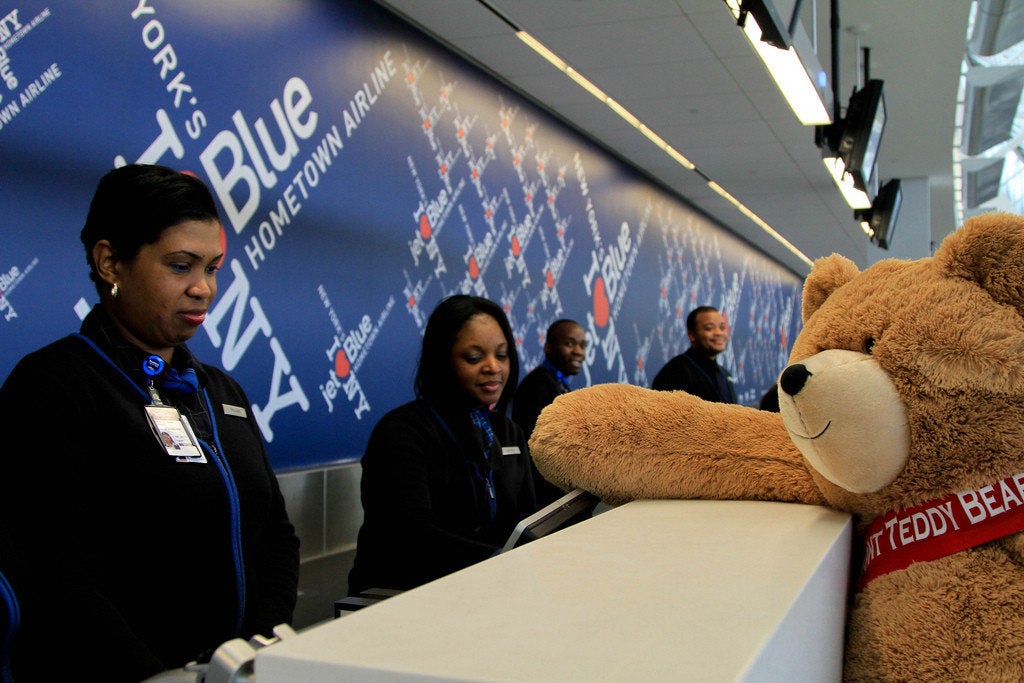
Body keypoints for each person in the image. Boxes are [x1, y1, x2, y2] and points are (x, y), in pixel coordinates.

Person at [0, 164, 300, 680]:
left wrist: (257, 651)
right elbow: (53, 574)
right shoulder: (55, 386)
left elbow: (275, 535)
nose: (203, 289)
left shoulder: (220, 393)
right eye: (181, 266)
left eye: (213, 268)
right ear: (111, 262)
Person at [348, 294, 537, 595]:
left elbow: (526, 519)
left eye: (501, 355)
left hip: (488, 592)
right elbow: (410, 535)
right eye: (474, 357)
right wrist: (501, 562)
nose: (493, 367)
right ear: (442, 360)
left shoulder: (509, 433)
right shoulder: (402, 432)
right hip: (404, 599)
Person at [512, 318, 587, 506]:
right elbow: (539, 449)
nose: (578, 351)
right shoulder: (538, 385)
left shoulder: (555, 382)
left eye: (582, 345)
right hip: (544, 498)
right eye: (569, 344)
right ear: (548, 347)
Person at [651, 305, 738, 403]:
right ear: (692, 335)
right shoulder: (674, 372)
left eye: (722, 327)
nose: (718, 333)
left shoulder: (725, 375)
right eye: (709, 328)